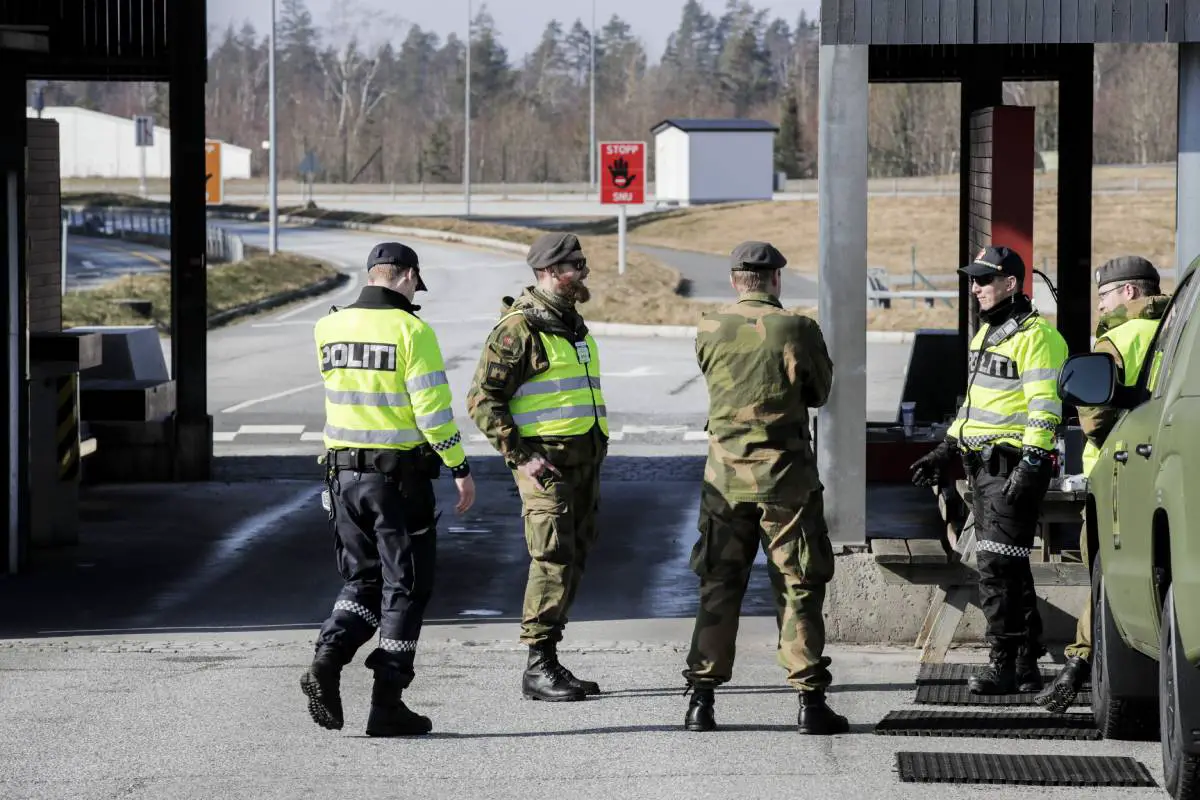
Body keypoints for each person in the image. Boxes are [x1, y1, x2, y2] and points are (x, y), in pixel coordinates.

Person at [302, 241, 476, 737]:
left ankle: (327, 662)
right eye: (414, 283)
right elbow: (432, 411)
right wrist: (459, 466)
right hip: (396, 480)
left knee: (363, 581)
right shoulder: (412, 331)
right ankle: (387, 703)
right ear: (406, 277)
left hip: (341, 479)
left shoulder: (328, 327)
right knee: (407, 586)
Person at [680, 240, 848, 735]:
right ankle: (810, 703)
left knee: (718, 586)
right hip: (786, 482)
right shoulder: (798, 329)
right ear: (776, 279)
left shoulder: (708, 327)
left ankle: (701, 701)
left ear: (735, 280)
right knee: (798, 586)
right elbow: (819, 392)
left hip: (724, 482)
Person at [911, 245, 1068, 695]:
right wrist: (946, 449)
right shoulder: (990, 333)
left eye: (984, 280)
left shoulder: (1036, 336)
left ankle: (1002, 663)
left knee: (997, 567)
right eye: (973, 280)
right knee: (1011, 566)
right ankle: (1025, 662)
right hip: (982, 468)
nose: (975, 288)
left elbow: (1045, 406)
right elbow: (977, 404)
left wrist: (1032, 464)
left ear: (1011, 284)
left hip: (1011, 466)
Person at [466, 231, 608, 702]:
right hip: (547, 469)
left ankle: (550, 660)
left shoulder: (570, 324)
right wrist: (522, 457)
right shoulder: (519, 329)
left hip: (583, 466)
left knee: (574, 562)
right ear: (550, 273)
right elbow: (483, 400)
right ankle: (537, 665)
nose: (583, 273)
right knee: (551, 561)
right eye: (576, 267)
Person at [1035, 255, 1170, 713]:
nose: (1102, 306)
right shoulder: (1178, 331)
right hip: (1171, 473)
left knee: (1107, 574)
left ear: (1129, 292)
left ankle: (1081, 663)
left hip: (1117, 473)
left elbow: (1093, 418)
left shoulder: (1119, 338)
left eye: (1105, 296)